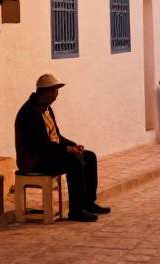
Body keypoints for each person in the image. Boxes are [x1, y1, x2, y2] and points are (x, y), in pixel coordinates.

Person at [15, 74, 109, 222]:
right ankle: (76, 210)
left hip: (48, 154)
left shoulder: (46, 109)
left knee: (89, 156)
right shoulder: (29, 113)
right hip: (35, 161)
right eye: (54, 92)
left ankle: (88, 203)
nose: (56, 97)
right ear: (45, 91)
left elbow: (56, 136)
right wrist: (67, 151)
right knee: (73, 161)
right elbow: (41, 145)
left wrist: (72, 145)